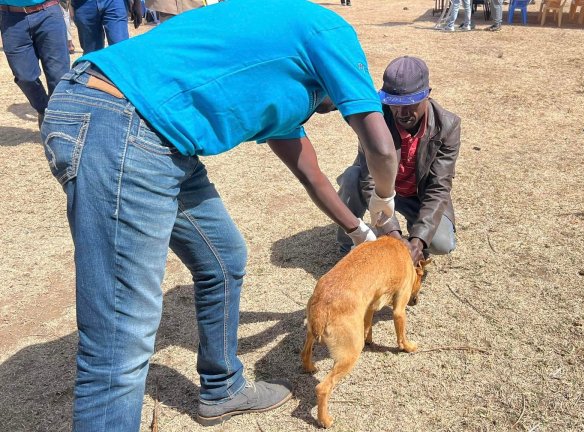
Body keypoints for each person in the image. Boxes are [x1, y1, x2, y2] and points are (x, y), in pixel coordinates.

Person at [39, 0, 398, 430]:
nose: (328, 110)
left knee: (223, 258)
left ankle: (223, 388)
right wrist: (383, 204)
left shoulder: (284, 80)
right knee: (119, 343)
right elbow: (380, 147)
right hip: (121, 121)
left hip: (158, 135)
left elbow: (312, 176)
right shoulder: (328, 31)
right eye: (332, 103)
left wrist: (359, 233)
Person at [337, 56, 461, 264]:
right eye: (394, 104)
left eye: (410, 104)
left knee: (442, 243)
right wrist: (394, 235)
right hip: (382, 192)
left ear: (427, 96)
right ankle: (347, 244)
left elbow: (438, 187)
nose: (402, 113)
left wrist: (418, 240)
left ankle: (416, 240)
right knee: (353, 176)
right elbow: (369, 180)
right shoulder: (374, 121)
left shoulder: (448, 126)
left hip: (417, 195)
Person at [0, 0, 70, 127]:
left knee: (59, 75)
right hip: (11, 18)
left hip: (48, 12)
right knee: (25, 76)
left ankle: (58, 121)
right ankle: (43, 109)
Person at [70, 0, 139, 53]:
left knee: (120, 48)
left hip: (114, 3)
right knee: (92, 53)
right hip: (83, 4)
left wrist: (137, 2)